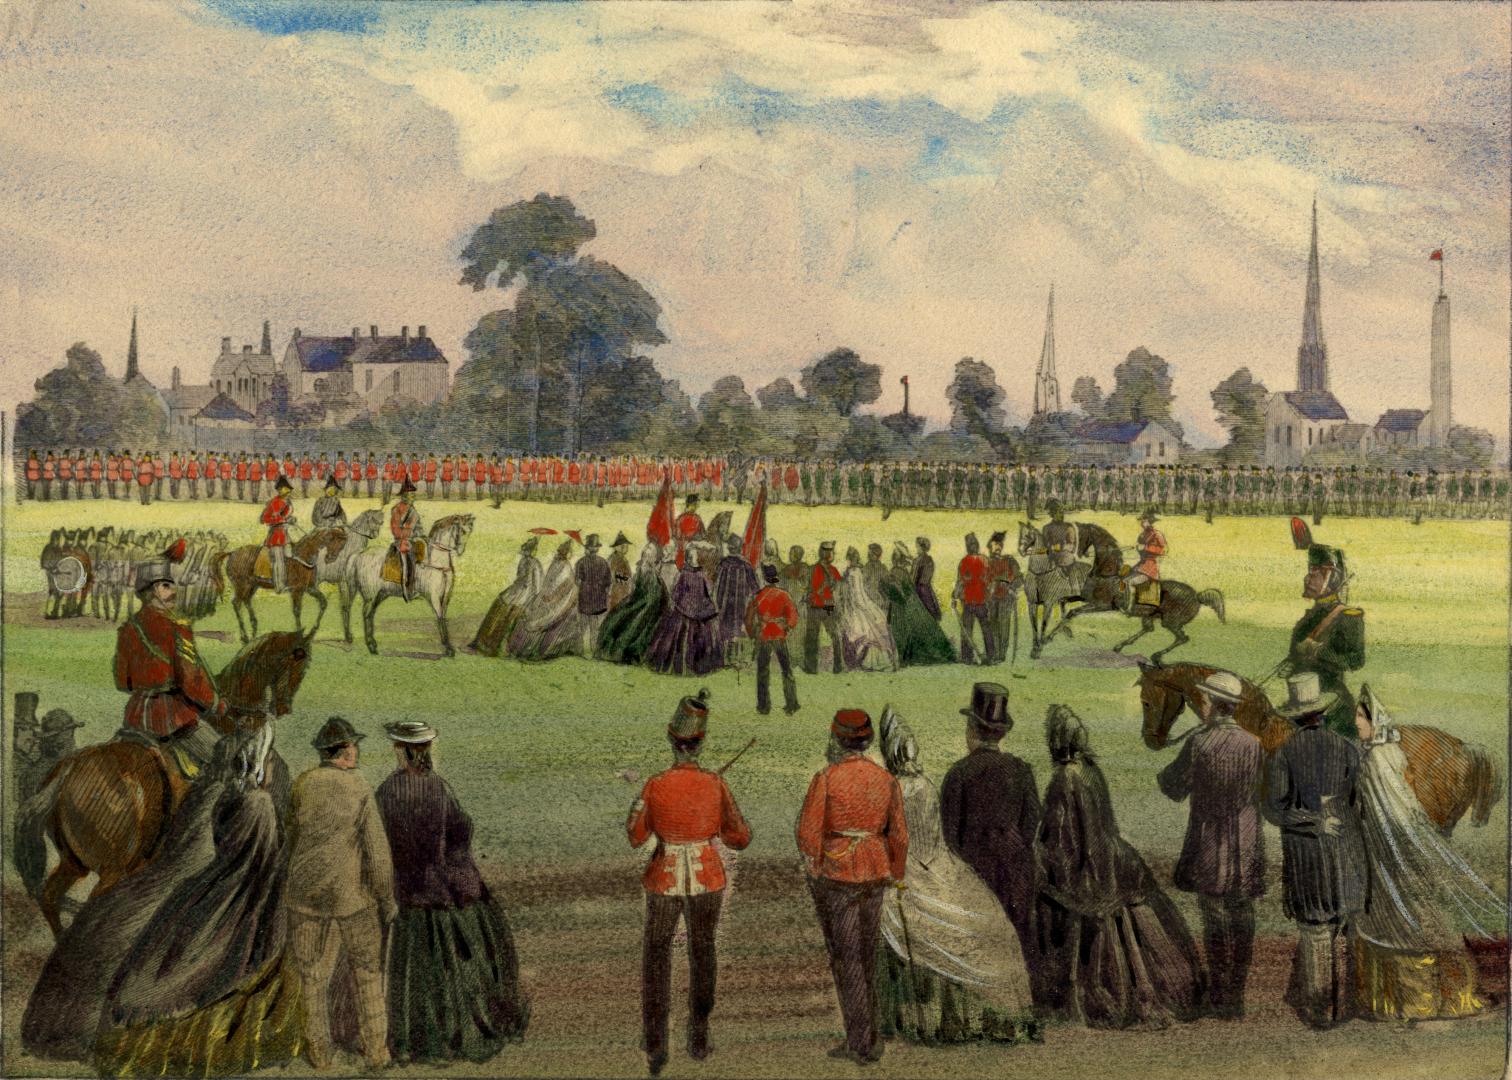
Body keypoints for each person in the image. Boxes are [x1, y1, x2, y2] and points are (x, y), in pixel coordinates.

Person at [93, 727, 305, 1077]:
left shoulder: (227, 799)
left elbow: (225, 845)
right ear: (258, 767)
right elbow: (263, 853)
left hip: (217, 878)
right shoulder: (260, 803)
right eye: (268, 762)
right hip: (252, 886)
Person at [1034, 705, 1204, 1029]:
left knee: (1050, 895)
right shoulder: (1090, 768)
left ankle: (1085, 996)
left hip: (1088, 865)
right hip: (1112, 857)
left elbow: (1062, 835)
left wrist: (1041, 856)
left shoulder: (1063, 778)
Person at [876, 709, 1038, 1045]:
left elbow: (900, 840)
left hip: (909, 873)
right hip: (943, 867)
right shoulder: (927, 784)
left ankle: (921, 1019)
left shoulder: (898, 788)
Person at [377, 721, 529, 1063]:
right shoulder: (438, 787)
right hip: (442, 893)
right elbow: (462, 829)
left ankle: (415, 1039)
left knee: (416, 974)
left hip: (409, 895)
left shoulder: (387, 791)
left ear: (400, 751)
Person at [1349, 686, 1503, 1022]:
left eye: (1362, 716)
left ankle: (1428, 1000)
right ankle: (1397, 1002)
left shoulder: (1378, 758)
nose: (1356, 722)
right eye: (1357, 716)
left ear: (1376, 720)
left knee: (1413, 918)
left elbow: (1393, 811)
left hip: (1392, 851)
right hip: (1378, 853)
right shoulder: (1379, 753)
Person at [627, 691, 752, 1076]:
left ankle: (655, 1041)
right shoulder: (715, 784)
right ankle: (698, 1034)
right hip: (707, 876)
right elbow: (739, 837)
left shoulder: (655, 784)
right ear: (700, 743)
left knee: (656, 956)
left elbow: (635, 835)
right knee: (703, 952)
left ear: (672, 740)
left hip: (663, 876)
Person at [796, 709, 908, 1066]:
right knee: (867, 954)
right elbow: (900, 836)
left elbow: (807, 833)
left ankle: (860, 1041)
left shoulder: (826, 778)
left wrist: (814, 866)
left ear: (837, 740)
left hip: (838, 872)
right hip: (877, 871)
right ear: (868, 740)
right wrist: (897, 872)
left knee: (848, 959)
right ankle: (869, 1034)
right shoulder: (886, 780)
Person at [287, 716, 396, 1071]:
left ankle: (319, 1054)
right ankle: (377, 1053)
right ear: (344, 752)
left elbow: (289, 841)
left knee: (311, 977)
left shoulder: (303, 783)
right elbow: (377, 852)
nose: (357, 750)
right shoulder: (359, 785)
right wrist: (387, 899)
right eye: (354, 746)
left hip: (306, 896)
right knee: (367, 973)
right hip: (354, 898)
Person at [1156, 670, 1265, 1019]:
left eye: (1202, 700)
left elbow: (1173, 788)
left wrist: (1167, 772)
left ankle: (1220, 997)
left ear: (1214, 705)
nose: (1198, 705)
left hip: (1210, 842)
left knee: (1215, 916)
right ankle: (1237, 997)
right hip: (1246, 842)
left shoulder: (1198, 743)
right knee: (1242, 913)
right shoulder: (1255, 744)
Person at [1262, 673, 1368, 1030]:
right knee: (1343, 927)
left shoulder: (1285, 753)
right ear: (1322, 713)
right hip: (1347, 853)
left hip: (1308, 857)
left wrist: (1310, 820)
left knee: (1315, 931)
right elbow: (1358, 805)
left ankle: (1320, 1010)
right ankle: (1344, 1007)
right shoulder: (1348, 748)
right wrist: (1332, 817)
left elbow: (1274, 810)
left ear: (1295, 716)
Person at [938, 684, 1040, 965]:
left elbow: (950, 836)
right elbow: (1031, 821)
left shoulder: (958, 773)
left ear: (972, 729)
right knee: (1018, 938)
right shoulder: (1021, 770)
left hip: (974, 871)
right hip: (1016, 868)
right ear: (1001, 734)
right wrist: (1012, 846)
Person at [113, 540, 227, 771]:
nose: (174, 591)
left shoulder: (128, 629)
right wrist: (215, 704)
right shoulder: (177, 628)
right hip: (171, 718)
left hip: (136, 716)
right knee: (224, 762)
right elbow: (190, 681)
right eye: (167, 585)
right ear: (153, 590)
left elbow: (122, 682)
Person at [1280, 543, 1365, 738]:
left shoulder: (1348, 617)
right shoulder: (1308, 618)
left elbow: (1355, 661)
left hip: (1332, 703)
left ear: (1332, 579)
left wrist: (1319, 652)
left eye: (1316, 573)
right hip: (1299, 699)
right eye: (1310, 571)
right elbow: (1297, 654)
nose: (1308, 578)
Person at [646, 541, 722, 675]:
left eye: (696, 557)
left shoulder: (701, 575)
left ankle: (699, 665)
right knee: (678, 638)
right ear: (687, 559)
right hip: (683, 610)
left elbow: (708, 591)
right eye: (692, 557)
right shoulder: (683, 574)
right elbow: (676, 592)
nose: (695, 559)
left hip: (699, 611)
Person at [879, 544, 955, 667]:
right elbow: (907, 589)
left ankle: (904, 657)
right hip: (905, 606)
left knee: (901, 631)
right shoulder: (902, 572)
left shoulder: (894, 572)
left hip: (898, 608)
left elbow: (889, 588)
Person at [508, 539, 582, 660]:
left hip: (558, 600)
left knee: (540, 620)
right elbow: (551, 583)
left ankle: (530, 650)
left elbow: (565, 585)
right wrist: (548, 596)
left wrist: (553, 597)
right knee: (533, 617)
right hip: (549, 599)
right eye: (566, 551)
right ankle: (523, 649)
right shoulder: (559, 564)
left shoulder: (563, 566)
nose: (568, 553)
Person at [471, 537, 544, 655]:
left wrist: (531, 600)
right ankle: (483, 641)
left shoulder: (536, 564)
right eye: (532, 549)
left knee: (507, 613)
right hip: (516, 590)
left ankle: (496, 646)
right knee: (499, 603)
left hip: (525, 594)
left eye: (533, 549)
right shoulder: (524, 561)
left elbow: (537, 585)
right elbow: (519, 577)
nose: (533, 551)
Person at [599, 542, 669, 666]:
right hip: (642, 604)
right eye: (646, 554)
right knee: (626, 623)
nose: (647, 556)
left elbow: (654, 592)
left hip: (648, 606)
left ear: (653, 557)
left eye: (650, 554)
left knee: (634, 626)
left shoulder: (650, 572)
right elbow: (639, 587)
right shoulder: (645, 571)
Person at [745, 564, 799, 715]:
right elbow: (793, 616)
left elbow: (748, 620)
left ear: (764, 578)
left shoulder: (758, 596)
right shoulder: (784, 595)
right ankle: (792, 704)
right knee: (787, 670)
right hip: (780, 636)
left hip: (763, 637)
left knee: (762, 671)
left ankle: (763, 706)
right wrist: (787, 626)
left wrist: (752, 634)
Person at [835, 546, 896, 672]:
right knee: (864, 631)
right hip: (855, 606)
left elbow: (858, 594)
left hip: (856, 606)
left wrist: (865, 607)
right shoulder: (853, 571)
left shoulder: (854, 572)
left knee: (863, 631)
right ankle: (857, 661)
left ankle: (863, 661)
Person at [712, 534, 758, 665]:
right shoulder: (746, 565)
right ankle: (733, 658)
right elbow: (755, 587)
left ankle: (725, 658)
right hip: (739, 605)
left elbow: (715, 583)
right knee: (735, 630)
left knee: (725, 629)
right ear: (739, 548)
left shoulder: (723, 563)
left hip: (724, 603)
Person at [952, 533, 995, 665]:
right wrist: (989, 596)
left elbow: (960, 582)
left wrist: (954, 596)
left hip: (969, 602)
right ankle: (990, 655)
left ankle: (967, 657)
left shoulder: (964, 561)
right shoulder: (985, 560)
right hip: (982, 601)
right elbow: (991, 581)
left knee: (967, 629)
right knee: (986, 629)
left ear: (968, 547)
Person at [803, 541, 843, 675]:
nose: (833, 555)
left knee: (832, 636)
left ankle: (834, 666)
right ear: (827, 553)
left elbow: (839, 587)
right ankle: (813, 667)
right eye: (831, 552)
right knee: (814, 637)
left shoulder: (830, 570)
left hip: (824, 606)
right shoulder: (816, 569)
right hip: (819, 606)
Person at [575, 534, 613, 656]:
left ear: (588, 548)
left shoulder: (580, 562)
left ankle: (581, 651)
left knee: (582, 628)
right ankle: (594, 651)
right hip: (598, 600)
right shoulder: (603, 562)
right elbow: (608, 582)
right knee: (595, 628)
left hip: (585, 599)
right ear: (597, 549)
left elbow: (577, 581)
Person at [1122, 508, 1166, 610]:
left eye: (1143, 520)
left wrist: (1145, 547)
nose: (1141, 522)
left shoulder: (1157, 534)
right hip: (1141, 565)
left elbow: (1163, 550)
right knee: (1123, 579)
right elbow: (1140, 548)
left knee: (1130, 582)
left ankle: (1129, 609)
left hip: (1150, 568)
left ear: (1150, 521)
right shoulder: (1143, 534)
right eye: (1141, 520)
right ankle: (1125, 602)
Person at [985, 532, 1018, 664]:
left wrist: (1012, 588)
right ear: (990, 546)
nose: (998, 546)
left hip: (1005, 598)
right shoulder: (986, 562)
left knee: (1004, 626)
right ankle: (995, 653)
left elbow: (1019, 578)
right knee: (993, 626)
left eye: (1000, 544)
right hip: (991, 599)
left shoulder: (1009, 560)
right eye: (995, 544)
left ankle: (1001, 655)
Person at [391, 477, 422, 601]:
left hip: (413, 539)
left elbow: (419, 526)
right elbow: (395, 529)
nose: (413, 496)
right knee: (409, 559)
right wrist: (408, 535)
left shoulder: (413, 510)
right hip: (402, 541)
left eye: (413, 494)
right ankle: (407, 591)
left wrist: (422, 535)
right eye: (411, 494)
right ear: (404, 496)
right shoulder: (397, 509)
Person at [912, 537, 941, 623]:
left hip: (921, 590)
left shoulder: (920, 560)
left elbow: (916, 578)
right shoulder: (927, 559)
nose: (916, 549)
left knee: (924, 613)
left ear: (922, 547)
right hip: (925, 589)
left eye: (917, 547)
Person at [674, 494, 705, 568]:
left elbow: (703, 534)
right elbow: (677, 536)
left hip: (697, 544)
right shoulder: (681, 519)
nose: (697, 507)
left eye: (697, 505)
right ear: (691, 504)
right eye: (696, 505)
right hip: (684, 547)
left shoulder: (698, 518)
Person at [608, 532, 634, 611]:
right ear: (616, 547)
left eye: (626, 546)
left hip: (622, 593)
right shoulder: (615, 559)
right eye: (622, 546)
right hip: (617, 593)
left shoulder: (621, 558)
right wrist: (628, 580)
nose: (624, 548)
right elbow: (613, 576)